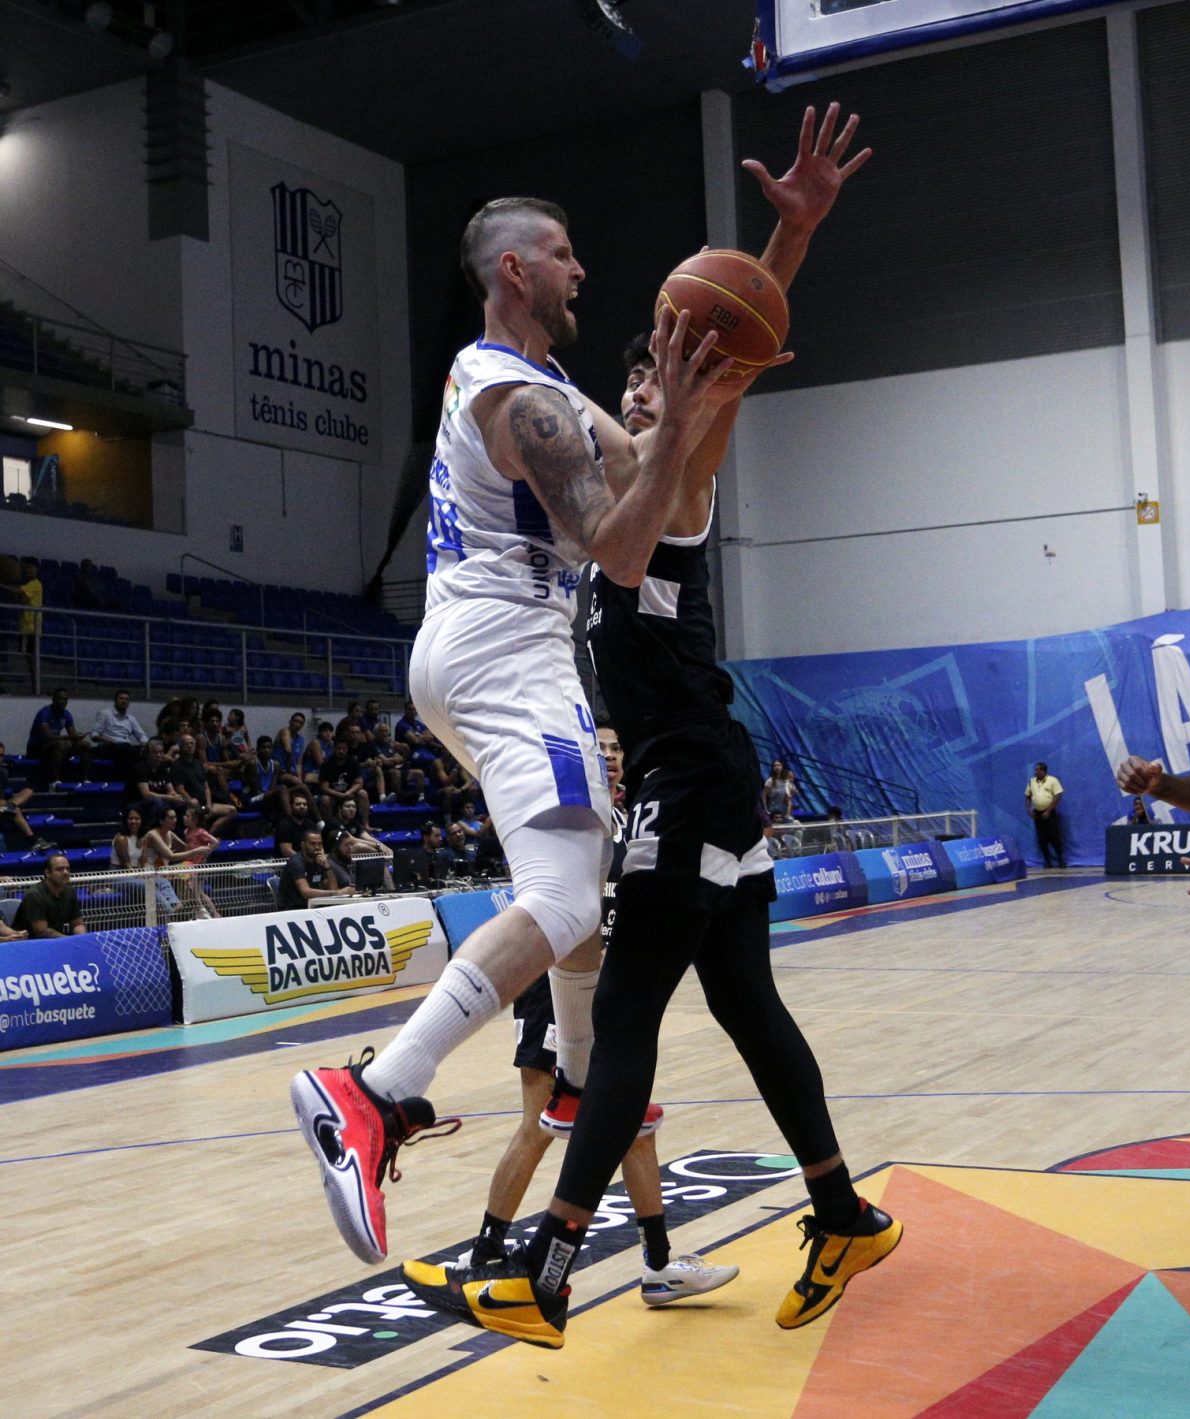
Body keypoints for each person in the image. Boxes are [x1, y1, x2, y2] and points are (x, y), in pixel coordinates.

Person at [400, 104, 901, 1350]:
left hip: (690, 774)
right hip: (705, 771)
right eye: (625, 388)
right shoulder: (618, 476)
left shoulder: (679, 476)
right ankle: (842, 1212)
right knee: (744, 1005)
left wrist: (789, 245)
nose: (635, 397)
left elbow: (733, 338)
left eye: (650, 384)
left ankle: (548, 1270)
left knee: (620, 1023)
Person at [291, 173, 735, 1266]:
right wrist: (682, 421)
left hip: (475, 647)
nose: (582, 268)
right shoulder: (517, 399)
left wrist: (707, 396)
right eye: (564, 252)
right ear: (513, 269)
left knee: (580, 882)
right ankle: (377, 1090)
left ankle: (577, 1077)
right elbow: (619, 551)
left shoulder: (538, 384)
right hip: (508, 647)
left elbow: (653, 472)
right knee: (567, 893)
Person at [461, 718, 736, 1304]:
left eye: (616, 749)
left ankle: (658, 1265)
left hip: (608, 991)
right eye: (599, 747)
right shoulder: (567, 818)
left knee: (632, 1126)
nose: (609, 756)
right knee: (540, 1123)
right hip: (552, 984)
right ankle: (486, 1251)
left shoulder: (630, 821)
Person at [26, 687, 92, 786]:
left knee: (85, 745)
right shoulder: (44, 713)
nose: (63, 701)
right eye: (60, 698)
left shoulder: (67, 714)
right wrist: (68, 738)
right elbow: (47, 737)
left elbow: (72, 735)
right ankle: (55, 781)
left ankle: (85, 780)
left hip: (54, 746)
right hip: (37, 748)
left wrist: (78, 737)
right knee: (61, 745)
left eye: (65, 699)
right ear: (53, 699)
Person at [13, 853, 86, 937]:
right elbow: (42, 931)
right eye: (60, 869)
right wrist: (68, 941)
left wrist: (81, 938)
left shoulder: (70, 891)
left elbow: (77, 924)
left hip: (58, 938)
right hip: (29, 940)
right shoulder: (34, 894)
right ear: (47, 873)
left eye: (68, 869)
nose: (66, 872)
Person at [279, 828, 353, 909]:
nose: (317, 847)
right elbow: (305, 893)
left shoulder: (319, 861)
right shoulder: (296, 863)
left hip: (311, 906)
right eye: (312, 844)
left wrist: (327, 866)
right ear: (303, 845)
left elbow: (333, 889)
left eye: (320, 844)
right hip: (292, 909)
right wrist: (339, 893)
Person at [0, 742, 53, 852]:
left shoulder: (3, 773)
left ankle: (10, 807)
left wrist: (6, 804)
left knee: (28, 791)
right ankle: (33, 840)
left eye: (1, 755)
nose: (0, 758)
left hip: (2, 807)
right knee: (16, 810)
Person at [90, 690, 149, 777]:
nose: (124, 701)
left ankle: (142, 778)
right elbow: (94, 733)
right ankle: (125, 777)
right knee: (126, 749)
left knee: (142, 750)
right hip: (109, 746)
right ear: (115, 700)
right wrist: (101, 738)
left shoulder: (131, 718)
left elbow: (141, 735)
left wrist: (146, 744)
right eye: (121, 698)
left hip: (125, 747)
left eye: (126, 699)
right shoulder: (105, 714)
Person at [1025, 761, 1066, 869]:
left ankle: (1060, 859)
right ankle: (1047, 861)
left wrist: (1048, 811)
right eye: (1035, 770)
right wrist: (1029, 809)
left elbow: (1057, 795)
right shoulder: (1031, 782)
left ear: (1043, 771)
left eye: (1037, 770)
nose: (1035, 772)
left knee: (1054, 836)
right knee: (1041, 838)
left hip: (1050, 813)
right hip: (1038, 814)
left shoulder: (1052, 780)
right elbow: (1027, 796)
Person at [16, 556, 43, 685]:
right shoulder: (27, 584)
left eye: (31, 567)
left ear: (37, 569)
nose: (28, 570)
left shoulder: (35, 584)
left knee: (30, 656)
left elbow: (18, 591)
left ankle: (34, 684)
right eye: (27, 568)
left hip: (31, 627)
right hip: (26, 625)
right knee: (28, 656)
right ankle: (33, 683)